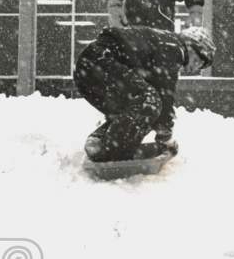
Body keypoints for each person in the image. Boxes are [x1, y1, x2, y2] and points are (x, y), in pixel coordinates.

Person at [73, 25, 215, 162]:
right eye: (197, 60)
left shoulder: (164, 42)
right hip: (100, 62)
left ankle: (101, 139)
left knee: (134, 106)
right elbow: (165, 93)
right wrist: (165, 135)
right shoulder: (174, 48)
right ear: (189, 45)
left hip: (88, 67)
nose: (195, 68)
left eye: (200, 66)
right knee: (149, 101)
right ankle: (112, 152)